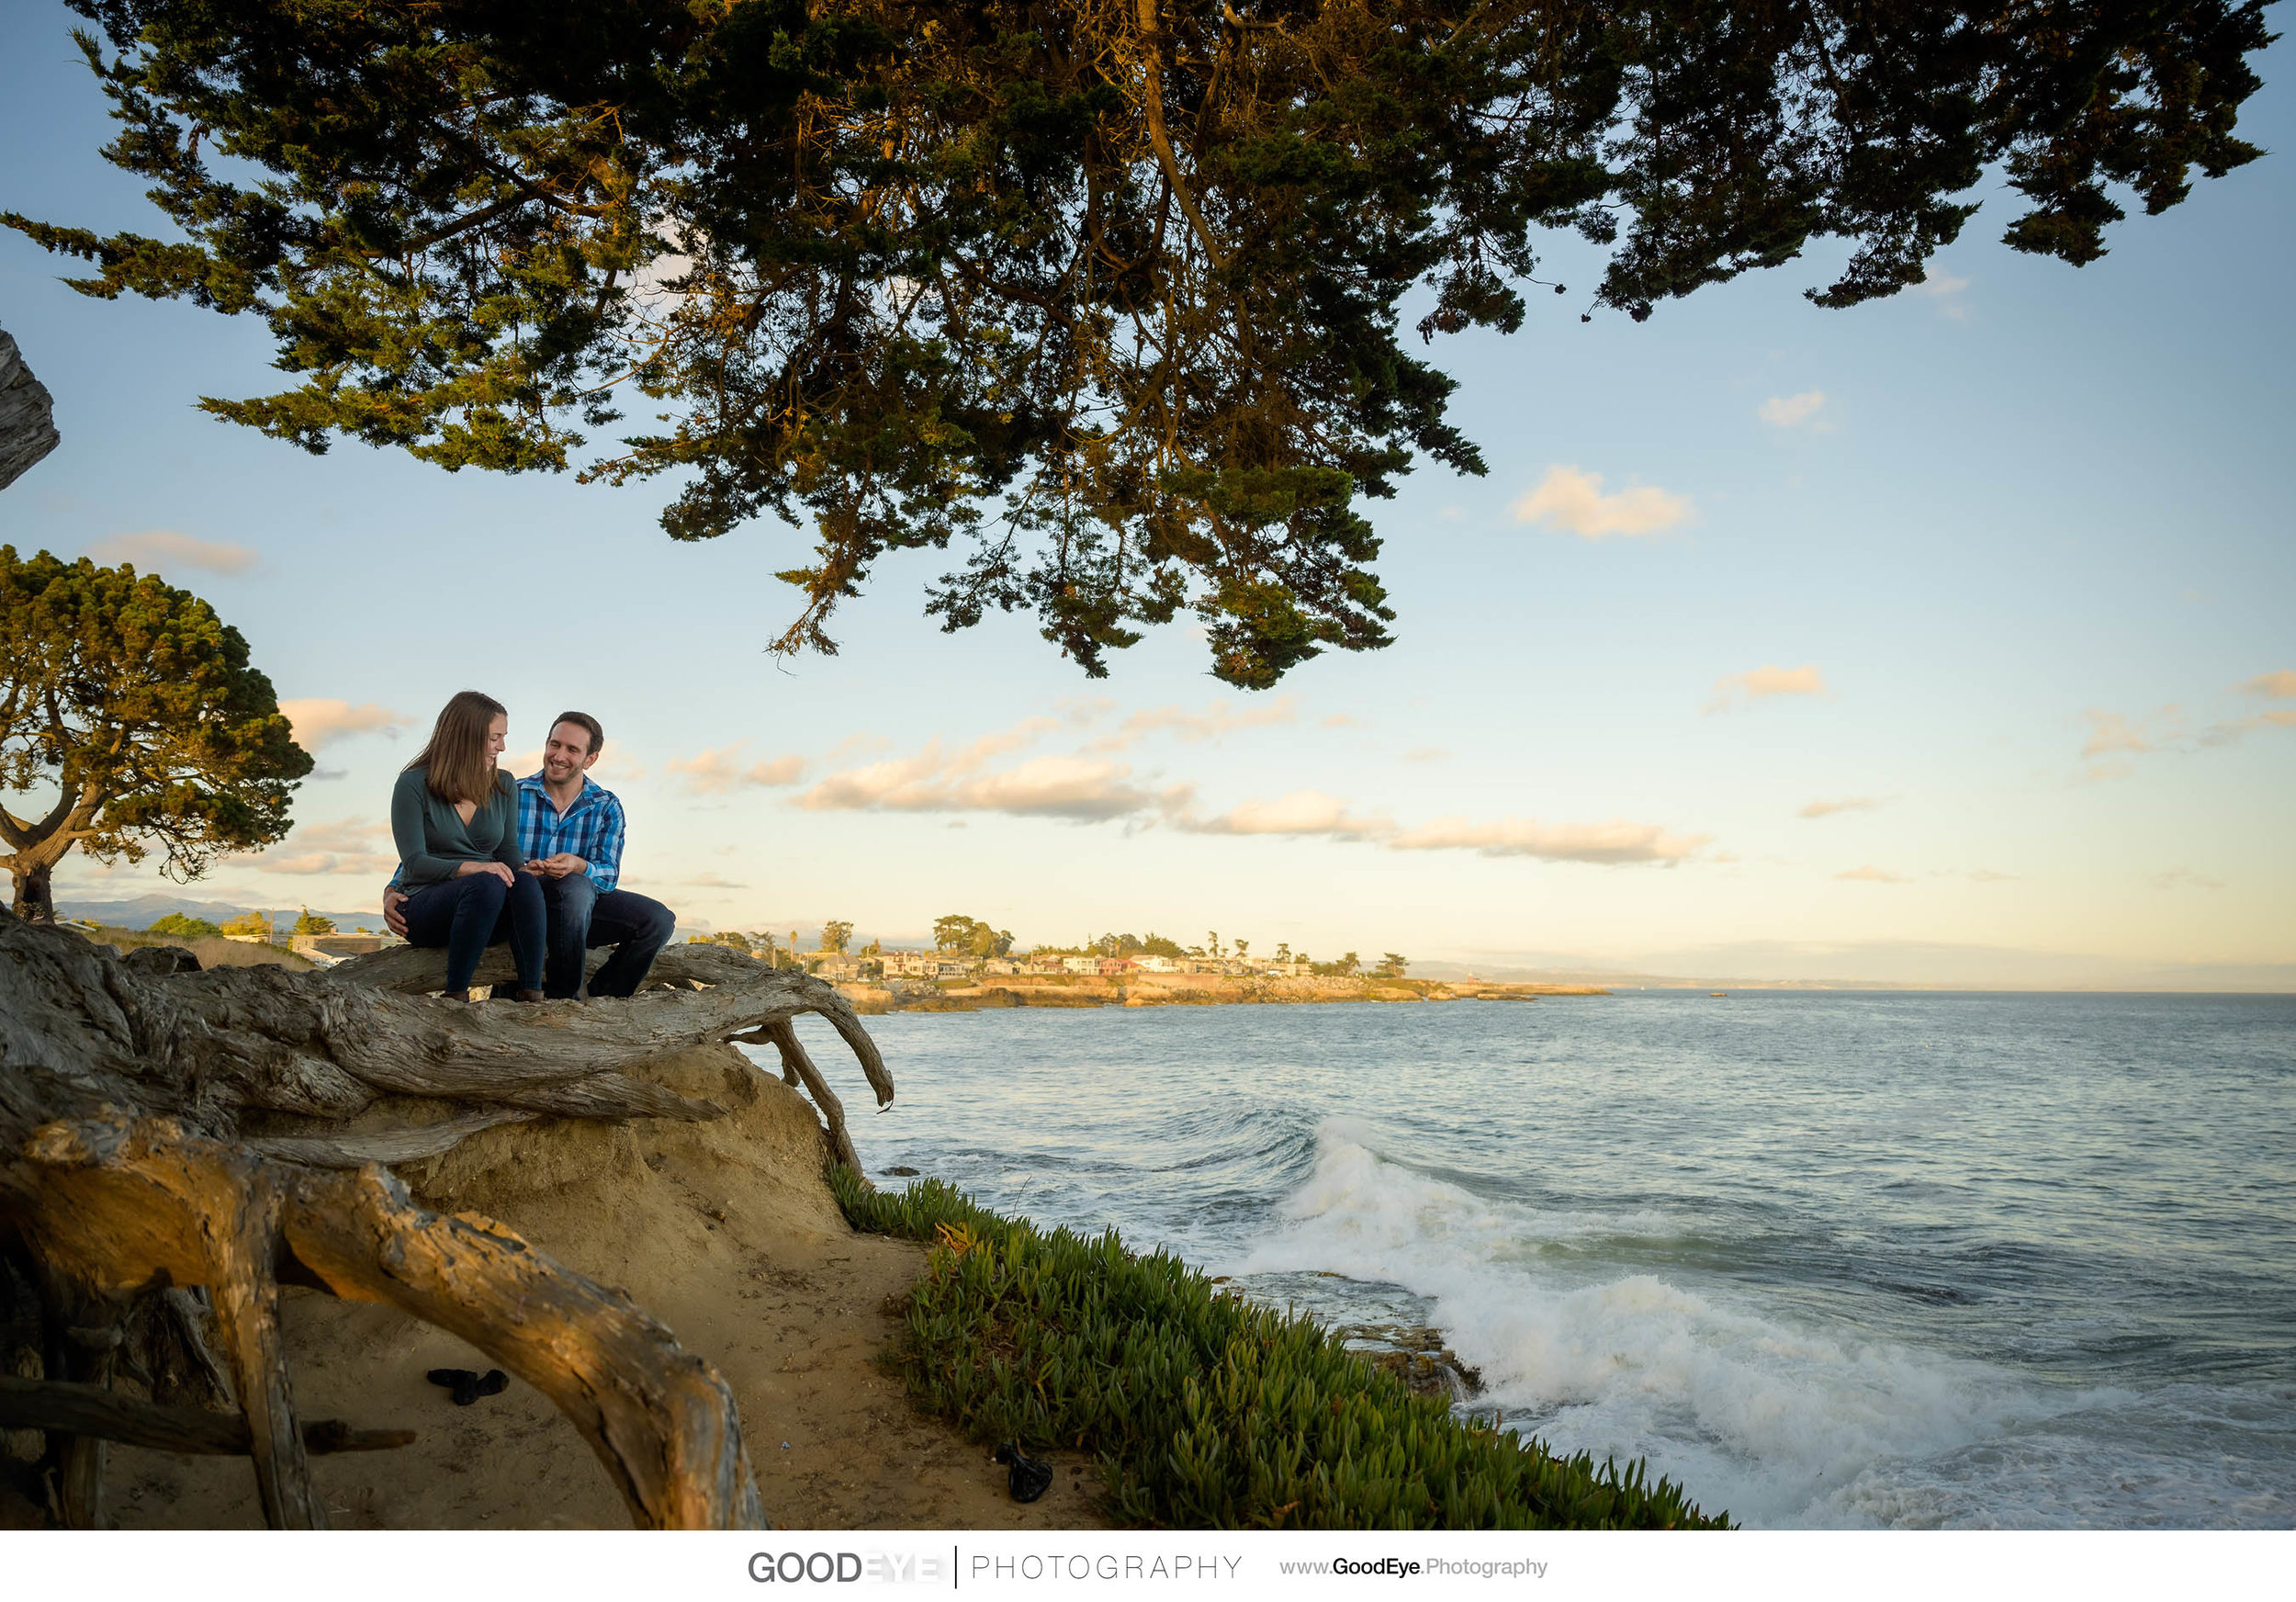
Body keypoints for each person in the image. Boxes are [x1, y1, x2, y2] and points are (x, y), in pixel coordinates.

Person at [384, 710, 675, 998]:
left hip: (578, 913)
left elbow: (609, 876)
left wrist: (579, 866)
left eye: (572, 749)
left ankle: (601, 1002)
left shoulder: (605, 806)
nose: (559, 755)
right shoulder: (512, 791)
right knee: (565, 890)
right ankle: (562, 999)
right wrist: (395, 887)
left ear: (590, 759)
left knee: (655, 919)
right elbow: (446, 844)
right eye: (554, 744)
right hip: (515, 902)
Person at [389, 690, 547, 1002]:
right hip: (425, 907)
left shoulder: (503, 784)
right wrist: (476, 868)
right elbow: (415, 863)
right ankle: (456, 996)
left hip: (485, 910)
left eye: (503, 737)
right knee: (487, 884)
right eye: (494, 738)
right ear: (465, 737)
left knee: (525, 883)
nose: (502, 747)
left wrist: (528, 870)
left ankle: (532, 996)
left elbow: (508, 854)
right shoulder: (412, 784)